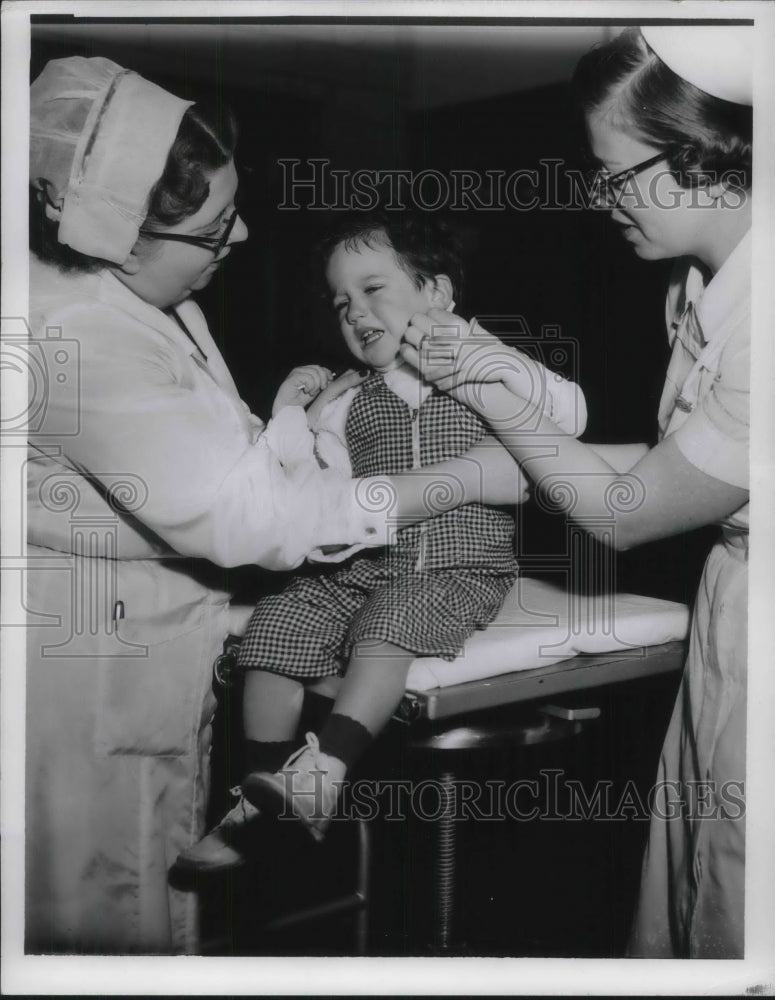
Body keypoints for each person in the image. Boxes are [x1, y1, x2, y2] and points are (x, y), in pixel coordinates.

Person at [25, 58, 528, 955]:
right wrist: (450, 478)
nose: (243, 234)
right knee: (102, 919)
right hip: (95, 667)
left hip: (177, 620)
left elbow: (253, 473)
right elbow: (257, 513)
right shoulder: (80, 336)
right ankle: (276, 786)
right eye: (215, 229)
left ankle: (306, 773)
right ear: (114, 238)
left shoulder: (143, 296)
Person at [401, 27, 751, 959]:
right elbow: (677, 461)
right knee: (694, 881)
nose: (598, 200)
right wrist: (524, 424)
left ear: (702, 157)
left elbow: (629, 512)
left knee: (736, 897)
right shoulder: (701, 282)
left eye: (612, 175)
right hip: (733, 606)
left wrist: (487, 395)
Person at [178, 213, 588, 870]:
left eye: (373, 290)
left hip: (458, 567)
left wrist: (486, 355)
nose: (354, 312)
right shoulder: (347, 402)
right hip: (367, 565)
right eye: (341, 302)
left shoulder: (489, 372)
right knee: (279, 622)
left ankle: (325, 772)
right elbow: (306, 493)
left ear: (437, 294)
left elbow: (571, 415)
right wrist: (290, 413)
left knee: (387, 623)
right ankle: (260, 794)